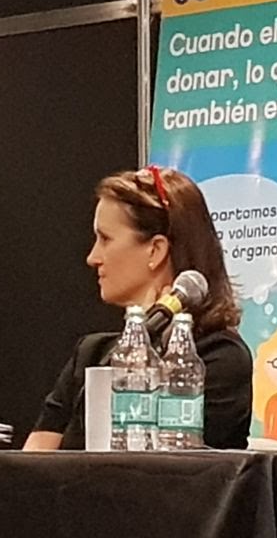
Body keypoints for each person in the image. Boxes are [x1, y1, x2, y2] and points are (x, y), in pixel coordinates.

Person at [24, 166, 252, 450]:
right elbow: (34, 461)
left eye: (105, 239)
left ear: (155, 250)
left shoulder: (218, 359)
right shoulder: (90, 353)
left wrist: (147, 349)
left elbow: (172, 467)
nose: (92, 257)